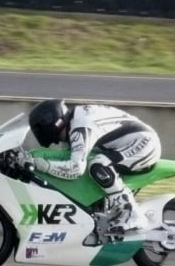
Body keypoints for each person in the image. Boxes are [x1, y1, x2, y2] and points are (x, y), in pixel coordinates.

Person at [23, 99, 161, 233]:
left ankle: (132, 214)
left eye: (39, 128)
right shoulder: (73, 122)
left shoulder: (80, 128)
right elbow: (66, 160)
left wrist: (44, 166)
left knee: (98, 165)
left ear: (51, 123)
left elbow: (75, 169)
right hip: (131, 141)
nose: (38, 132)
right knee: (90, 161)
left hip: (145, 144)